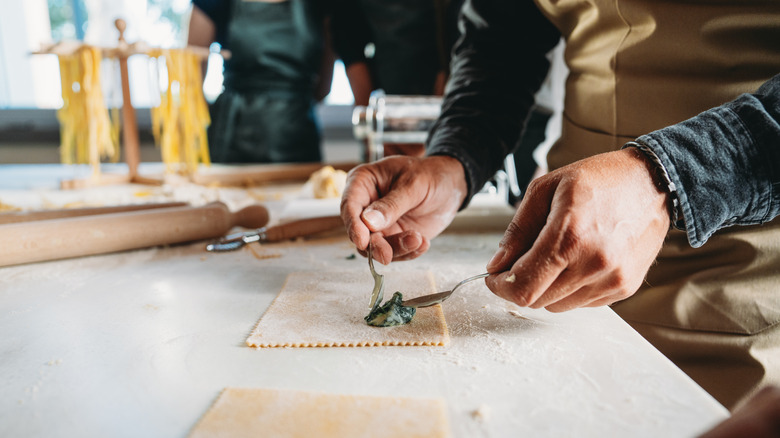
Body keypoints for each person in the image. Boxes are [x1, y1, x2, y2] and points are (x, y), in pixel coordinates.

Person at [340, 0, 780, 410]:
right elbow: (502, 38)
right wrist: (454, 160)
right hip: (556, 262)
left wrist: (667, 178)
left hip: (733, 289)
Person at [187, 0, 335, 163]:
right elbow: (190, 80)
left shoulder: (322, 5)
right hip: (230, 141)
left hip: (299, 142)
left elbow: (323, 89)